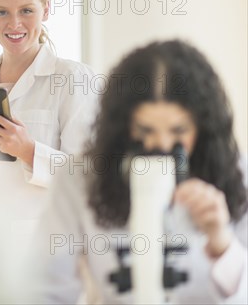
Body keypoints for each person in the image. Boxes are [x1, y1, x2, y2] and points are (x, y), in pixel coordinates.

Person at [33, 40, 247, 303]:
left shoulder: (237, 175)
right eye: (145, 131)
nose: (162, 146)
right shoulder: (79, 178)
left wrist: (222, 243)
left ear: (203, 127)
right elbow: (46, 289)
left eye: (179, 132)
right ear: (121, 127)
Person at [0, 0, 98, 241]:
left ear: (45, 10)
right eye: (1, 12)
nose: (14, 24)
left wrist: (28, 151)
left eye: (26, 10)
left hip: (47, 242)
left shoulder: (73, 78)